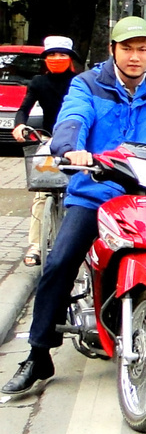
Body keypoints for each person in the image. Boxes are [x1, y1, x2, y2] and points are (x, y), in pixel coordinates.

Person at [2, 17, 146, 399]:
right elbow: (72, 118)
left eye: (143, 49)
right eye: (128, 48)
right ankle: (39, 354)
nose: (135, 56)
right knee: (59, 262)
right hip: (96, 191)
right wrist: (70, 147)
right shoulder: (88, 83)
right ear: (113, 50)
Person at [12, 35, 79, 267]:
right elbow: (23, 109)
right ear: (45, 59)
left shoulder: (81, 82)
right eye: (52, 54)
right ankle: (35, 245)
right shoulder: (38, 82)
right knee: (42, 193)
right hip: (50, 142)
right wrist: (20, 124)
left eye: (62, 54)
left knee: (83, 192)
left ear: (70, 58)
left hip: (79, 144)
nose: (57, 58)